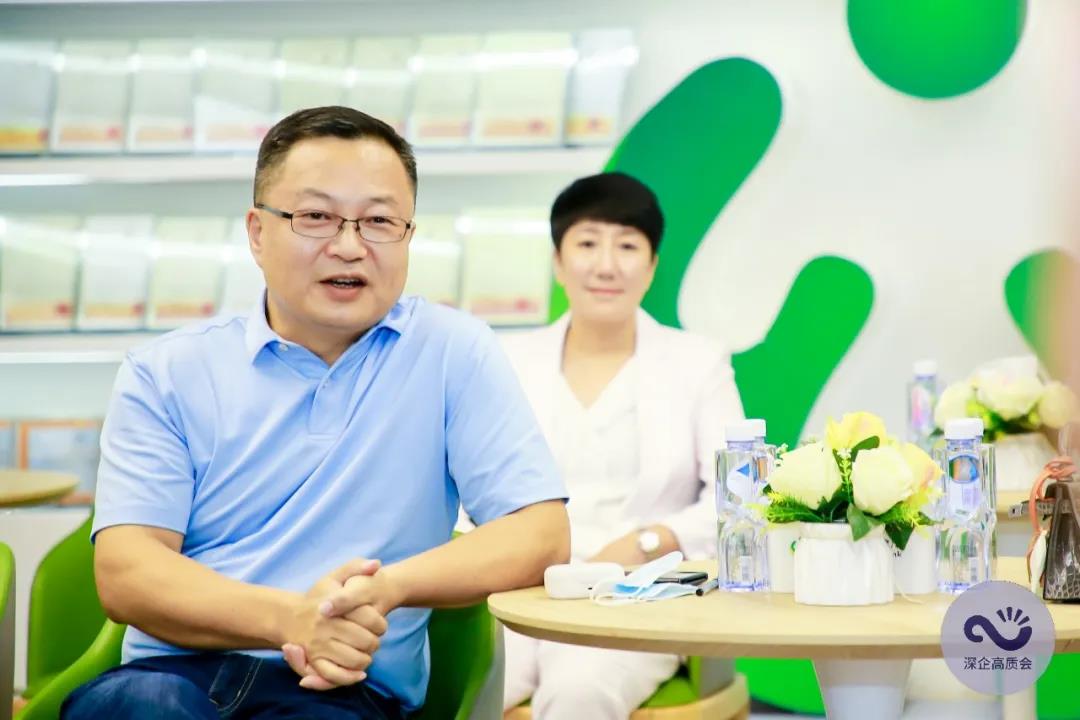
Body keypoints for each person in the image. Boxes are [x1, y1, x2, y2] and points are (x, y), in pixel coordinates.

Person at [62, 106, 569, 720]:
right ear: (257, 232)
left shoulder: (452, 352)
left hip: (340, 693)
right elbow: (127, 572)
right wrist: (292, 620)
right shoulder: (165, 371)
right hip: (169, 678)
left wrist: (389, 588)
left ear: (409, 235)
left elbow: (540, 534)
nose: (349, 246)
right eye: (316, 217)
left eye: (379, 221)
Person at [499, 172, 744, 719]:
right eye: (587, 243)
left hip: (639, 597)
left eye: (628, 246)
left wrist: (651, 541)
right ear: (558, 261)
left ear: (652, 266)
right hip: (520, 595)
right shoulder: (508, 360)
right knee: (464, 683)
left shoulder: (698, 363)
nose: (606, 265)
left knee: (579, 691)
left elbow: (738, 501)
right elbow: (470, 492)